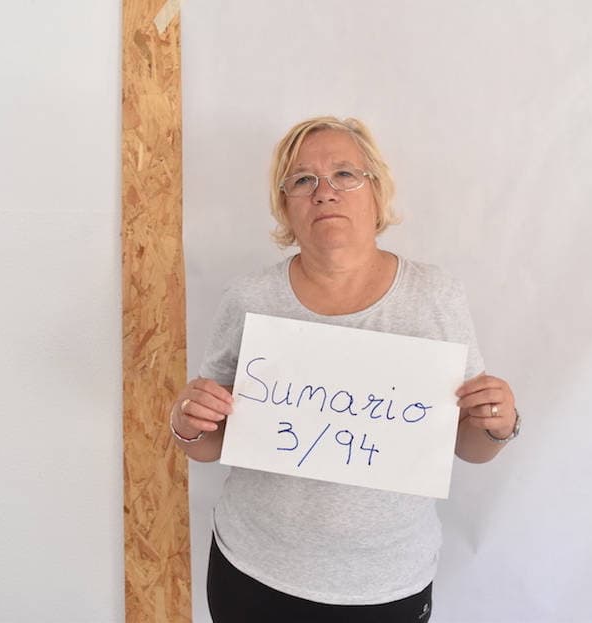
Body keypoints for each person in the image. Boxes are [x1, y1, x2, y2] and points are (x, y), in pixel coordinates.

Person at [169, 116, 520, 622]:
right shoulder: (249, 298)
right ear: (285, 205)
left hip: (386, 582)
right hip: (254, 569)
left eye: (345, 174)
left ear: (376, 192)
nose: (324, 192)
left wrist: (499, 423)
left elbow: (470, 446)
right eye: (303, 180)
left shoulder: (434, 296)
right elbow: (210, 443)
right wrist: (186, 421)